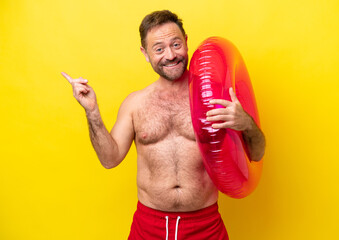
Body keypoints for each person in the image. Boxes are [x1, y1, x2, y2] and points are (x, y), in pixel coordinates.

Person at [62, 10, 265, 240]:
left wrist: (246, 123)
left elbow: (256, 154)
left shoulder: (218, 96)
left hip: (205, 226)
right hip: (148, 227)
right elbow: (110, 159)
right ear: (145, 53)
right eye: (159, 49)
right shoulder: (135, 104)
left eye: (176, 44)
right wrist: (92, 113)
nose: (170, 55)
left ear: (186, 42)